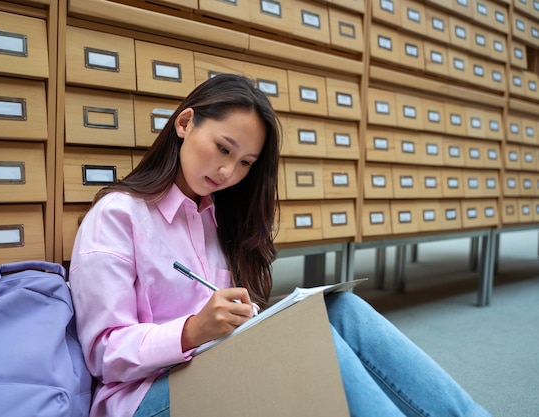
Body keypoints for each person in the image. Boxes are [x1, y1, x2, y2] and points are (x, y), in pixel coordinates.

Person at [69, 73, 491, 417]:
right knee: (311, 350)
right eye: (223, 148)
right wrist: (192, 329)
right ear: (185, 124)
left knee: (340, 311)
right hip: (145, 399)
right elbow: (103, 353)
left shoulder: (217, 218)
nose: (228, 171)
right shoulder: (118, 215)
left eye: (245, 164)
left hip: (214, 366)